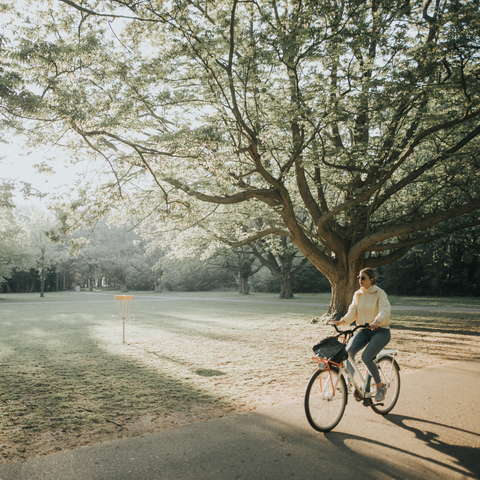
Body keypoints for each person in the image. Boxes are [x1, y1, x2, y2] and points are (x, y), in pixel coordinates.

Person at [333, 268, 391, 402]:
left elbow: (385, 310)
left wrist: (377, 321)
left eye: (363, 278)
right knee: (348, 352)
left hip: (381, 331)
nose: (360, 280)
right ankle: (350, 384)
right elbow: (352, 311)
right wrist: (343, 321)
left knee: (366, 357)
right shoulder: (357, 294)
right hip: (364, 330)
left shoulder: (379, 293)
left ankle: (380, 386)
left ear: (371, 279)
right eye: (359, 277)